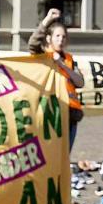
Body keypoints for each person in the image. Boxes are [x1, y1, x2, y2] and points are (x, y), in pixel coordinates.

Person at [26, 8, 84, 150]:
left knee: (65, 155)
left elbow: (80, 82)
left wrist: (62, 65)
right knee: (50, 154)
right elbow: (33, 43)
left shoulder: (68, 59)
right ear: (48, 38)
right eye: (57, 36)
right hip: (50, 114)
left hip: (70, 114)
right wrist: (47, 20)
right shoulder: (43, 56)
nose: (61, 40)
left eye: (63, 37)